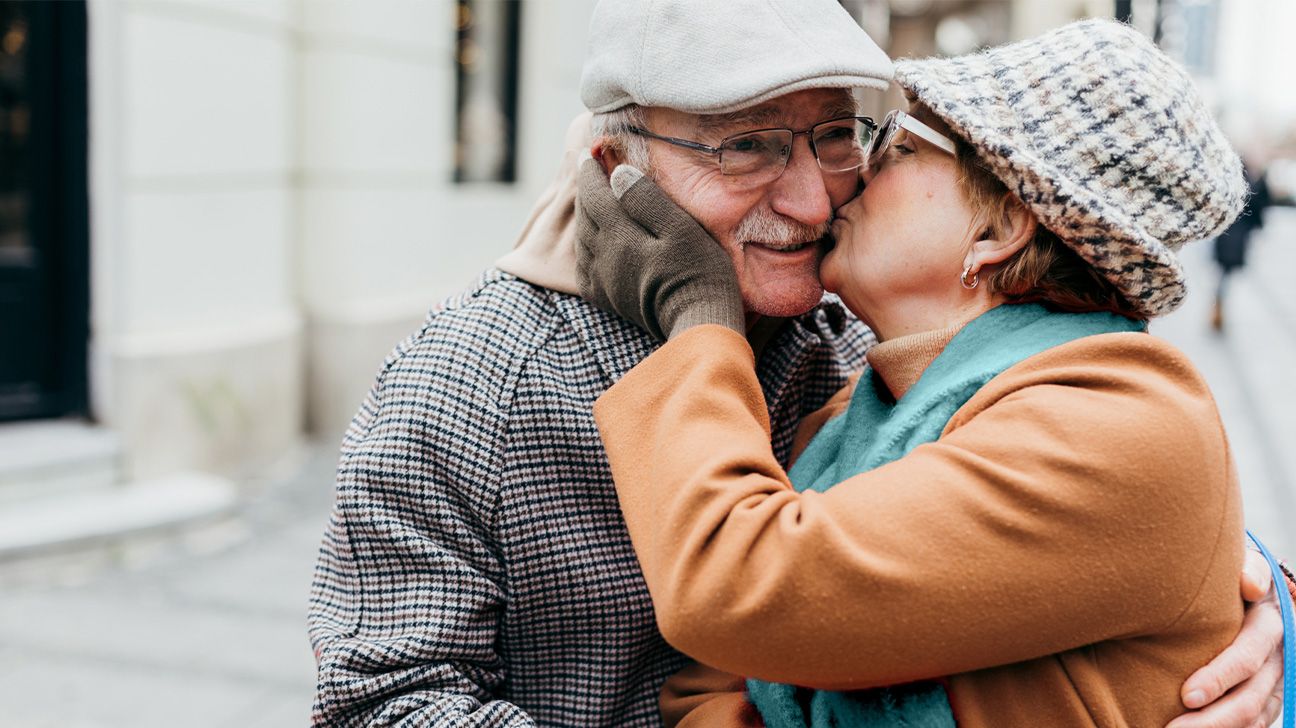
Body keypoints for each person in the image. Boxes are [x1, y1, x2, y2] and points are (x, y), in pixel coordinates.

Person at [305, 1, 1290, 724]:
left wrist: (1266, 613)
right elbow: (384, 703)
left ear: (999, 225)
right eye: (745, 147)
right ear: (620, 168)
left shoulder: (865, 344)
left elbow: (1114, 506)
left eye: (838, 139)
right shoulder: (461, 390)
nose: (817, 200)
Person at [580, 18, 1294, 728]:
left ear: (999, 229)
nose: (853, 175)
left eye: (898, 143)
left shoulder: (1124, 419)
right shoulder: (865, 408)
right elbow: (716, 685)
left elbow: (737, 589)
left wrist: (698, 316)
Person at [1211, 160, 1271, 331]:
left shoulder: (1239, 183)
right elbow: (1259, 209)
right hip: (1233, 239)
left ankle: (1218, 309)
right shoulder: (1246, 184)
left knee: (1224, 275)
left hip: (1229, 237)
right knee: (1225, 275)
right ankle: (1217, 309)